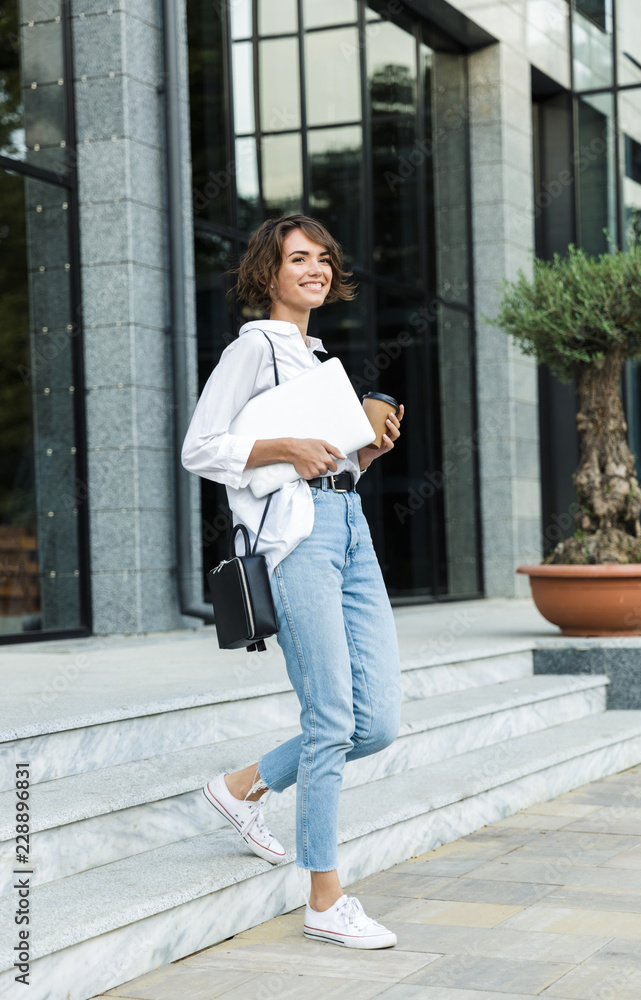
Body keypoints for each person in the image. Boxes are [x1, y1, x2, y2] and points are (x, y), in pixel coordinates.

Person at [182, 214, 405, 950]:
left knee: (373, 724)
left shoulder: (314, 358)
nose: (313, 268)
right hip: (299, 537)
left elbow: (328, 459)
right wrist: (285, 446)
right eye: (296, 258)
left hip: (350, 526)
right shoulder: (254, 349)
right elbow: (201, 448)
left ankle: (241, 786)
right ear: (268, 274)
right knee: (332, 717)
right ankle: (324, 900)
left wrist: (365, 449)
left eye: (322, 259)